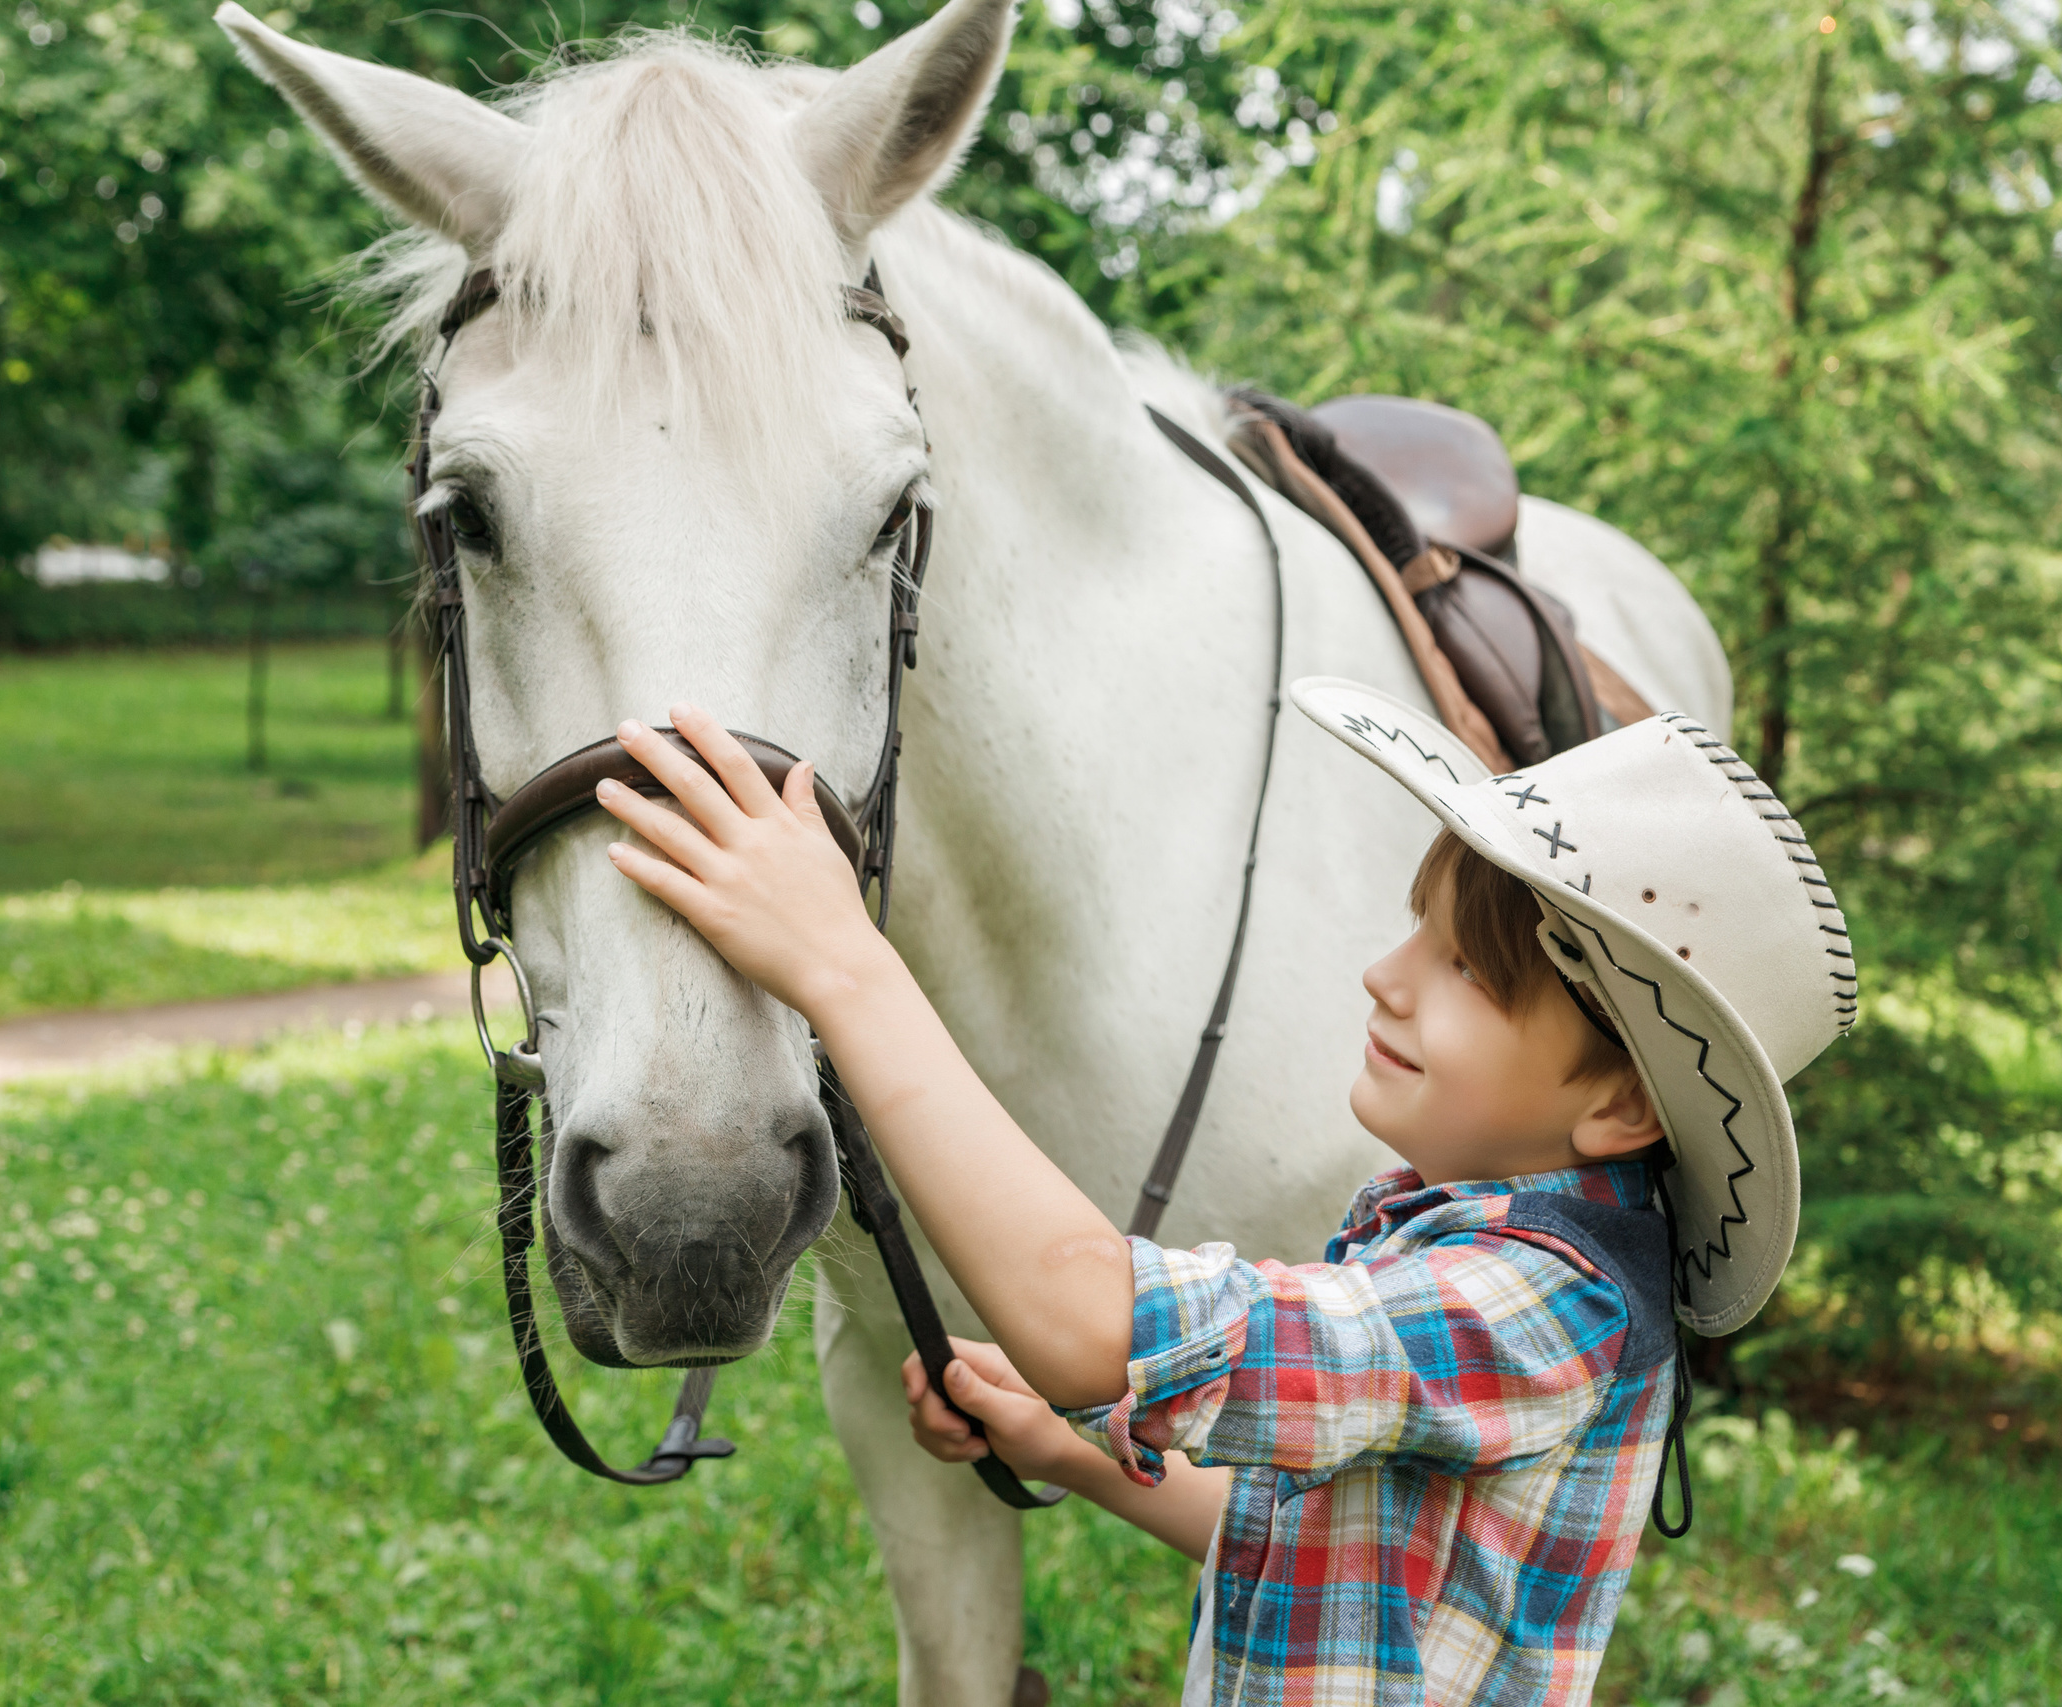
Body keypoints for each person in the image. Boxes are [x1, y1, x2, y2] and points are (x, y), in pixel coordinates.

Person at [593, 675, 1858, 1706]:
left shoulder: (1535, 1311)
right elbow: (1321, 1552)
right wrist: (1072, 1452)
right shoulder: (1456, 1238)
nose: (1384, 974)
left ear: (1622, 1103)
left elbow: (1087, 1317)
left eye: (1465, 968)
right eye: (1412, 927)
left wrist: (843, 967)